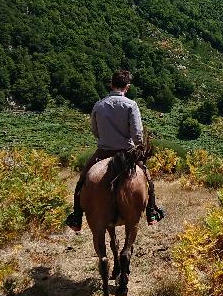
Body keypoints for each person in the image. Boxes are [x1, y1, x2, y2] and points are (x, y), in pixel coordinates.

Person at [66, 69, 162, 232]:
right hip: (126, 152)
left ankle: (76, 217)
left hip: (103, 151)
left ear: (111, 85)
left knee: (82, 181)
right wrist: (138, 147)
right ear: (128, 86)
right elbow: (137, 133)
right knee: (148, 179)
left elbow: (95, 131)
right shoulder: (131, 105)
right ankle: (151, 213)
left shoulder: (99, 105)